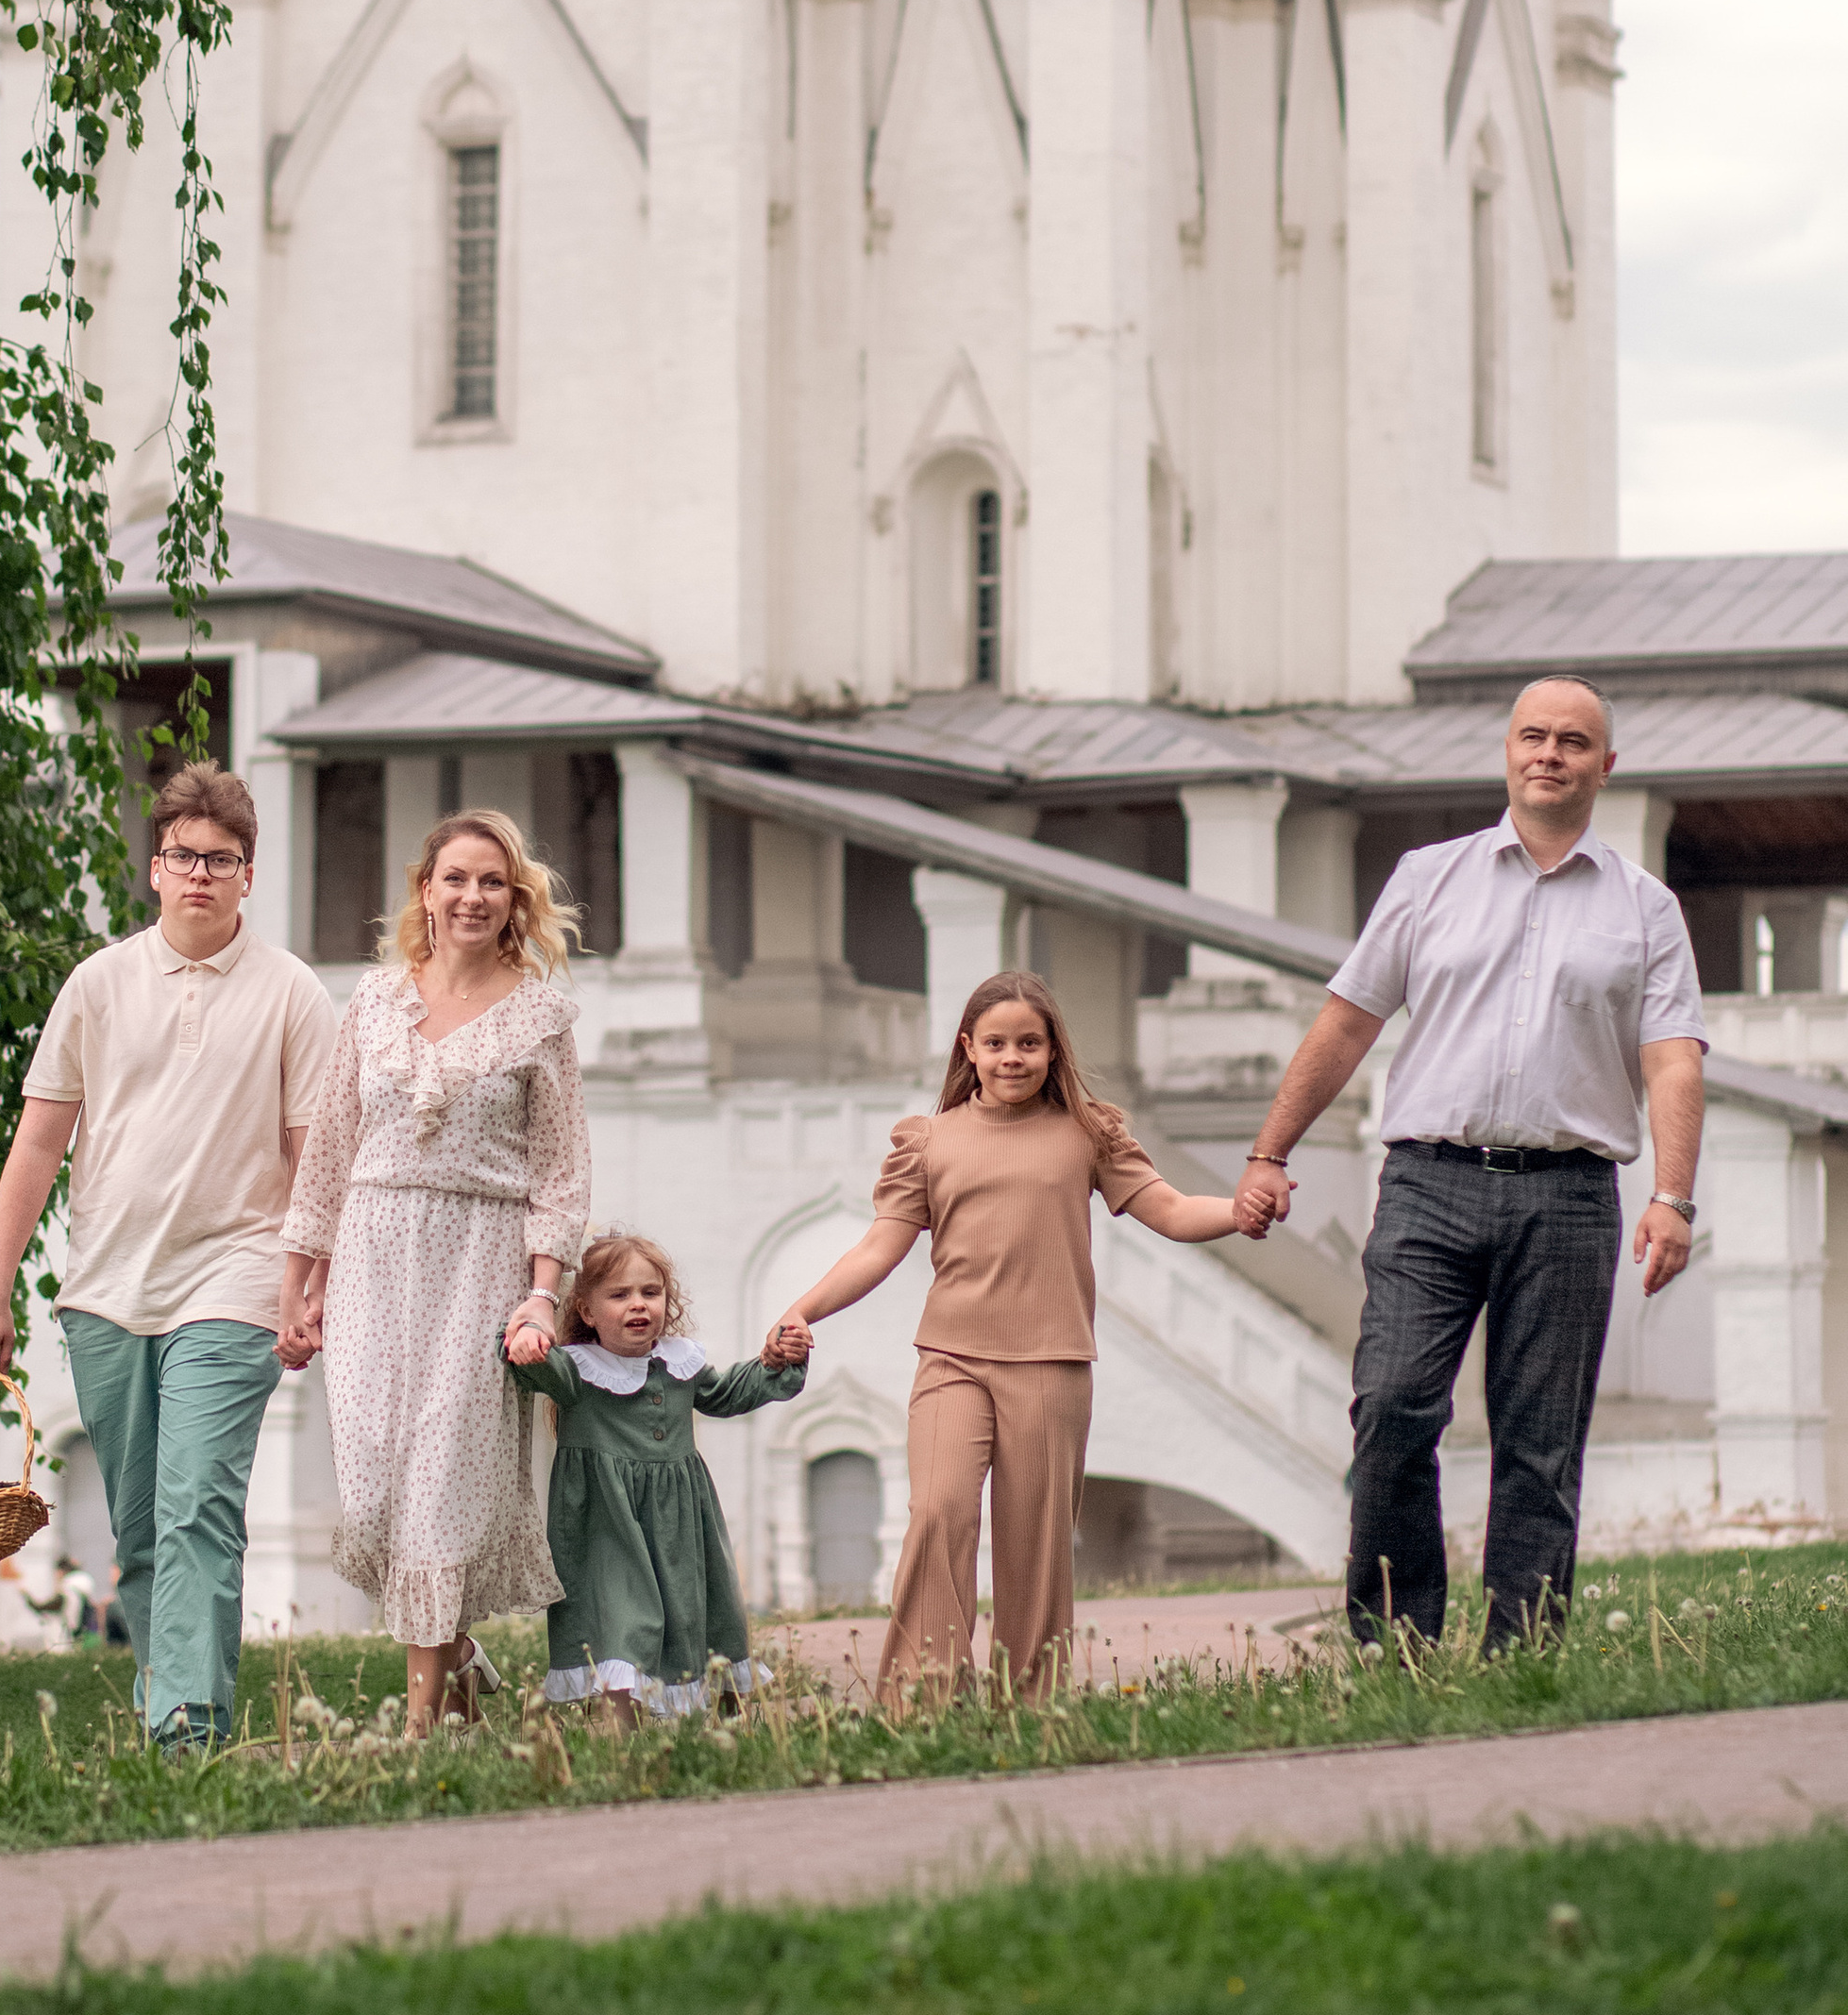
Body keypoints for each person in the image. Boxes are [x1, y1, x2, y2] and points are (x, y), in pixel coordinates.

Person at [1232, 674, 1707, 1654]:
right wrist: (1270, 1151)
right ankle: (1393, 1642)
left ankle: (1521, 1650)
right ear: (1507, 750)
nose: (1549, 754)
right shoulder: (1427, 878)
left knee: (1540, 1441)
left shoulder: (1645, 908)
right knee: (1393, 1407)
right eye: (1533, 736)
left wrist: (1673, 1196)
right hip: (1428, 1186)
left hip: (1570, 1197)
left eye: (1572, 741)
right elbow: (1347, 1021)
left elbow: (1671, 1059)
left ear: (1604, 767)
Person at [0, 759, 334, 1749]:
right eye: (182, 855)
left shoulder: (293, 994)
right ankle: (168, 1704)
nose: (200, 873)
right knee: (141, 1528)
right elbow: (37, 1145)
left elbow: (314, 1161)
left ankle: (187, 1729)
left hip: (236, 1281)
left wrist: (311, 1288)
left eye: (221, 858)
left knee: (196, 1504)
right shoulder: (98, 985)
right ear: (154, 868)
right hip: (106, 1290)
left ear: (249, 873)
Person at [767, 970, 1241, 1699]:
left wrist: (1241, 1212)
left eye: (1028, 1043)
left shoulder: (1088, 1134)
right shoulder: (930, 1142)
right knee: (939, 1512)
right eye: (996, 1044)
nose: (1012, 1058)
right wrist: (803, 1309)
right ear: (969, 1048)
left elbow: (1172, 1212)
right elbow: (877, 1249)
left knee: (1035, 1545)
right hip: (952, 1360)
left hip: (1052, 1365)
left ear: (1053, 1051)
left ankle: (1030, 1703)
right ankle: (924, 1698)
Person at [277, 808, 590, 1737]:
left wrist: (543, 1293)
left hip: (480, 1263)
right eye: (455, 878)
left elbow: (561, 1171)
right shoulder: (373, 1002)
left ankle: (422, 1727)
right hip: (371, 1256)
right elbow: (329, 1150)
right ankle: (460, 1664)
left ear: (515, 899)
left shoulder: (541, 1018)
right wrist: (298, 1283)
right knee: (375, 1489)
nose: (472, 896)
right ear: (425, 890)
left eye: (492, 881)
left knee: (441, 1485)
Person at [504, 1229, 809, 1726]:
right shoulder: (578, 1370)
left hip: (680, 1521)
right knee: (622, 1618)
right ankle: (618, 1734)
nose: (638, 1304)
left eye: (651, 1292)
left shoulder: (679, 1364)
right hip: (607, 1524)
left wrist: (775, 1362)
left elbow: (728, 1394)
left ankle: (716, 1723)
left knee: (699, 1610)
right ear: (586, 1311)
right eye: (619, 1295)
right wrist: (525, 1339)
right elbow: (535, 1367)